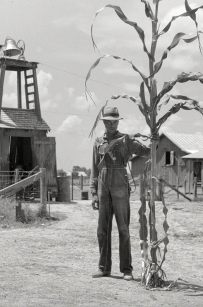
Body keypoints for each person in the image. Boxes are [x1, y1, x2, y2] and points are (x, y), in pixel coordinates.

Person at [90, 106, 149, 281]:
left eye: (114, 121)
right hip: (103, 185)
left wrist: (155, 141)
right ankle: (103, 268)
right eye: (107, 121)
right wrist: (93, 192)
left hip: (121, 184)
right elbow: (94, 169)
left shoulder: (126, 140)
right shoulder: (98, 142)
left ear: (118, 122)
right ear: (104, 122)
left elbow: (145, 151)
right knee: (102, 230)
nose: (111, 124)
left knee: (123, 228)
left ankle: (126, 269)